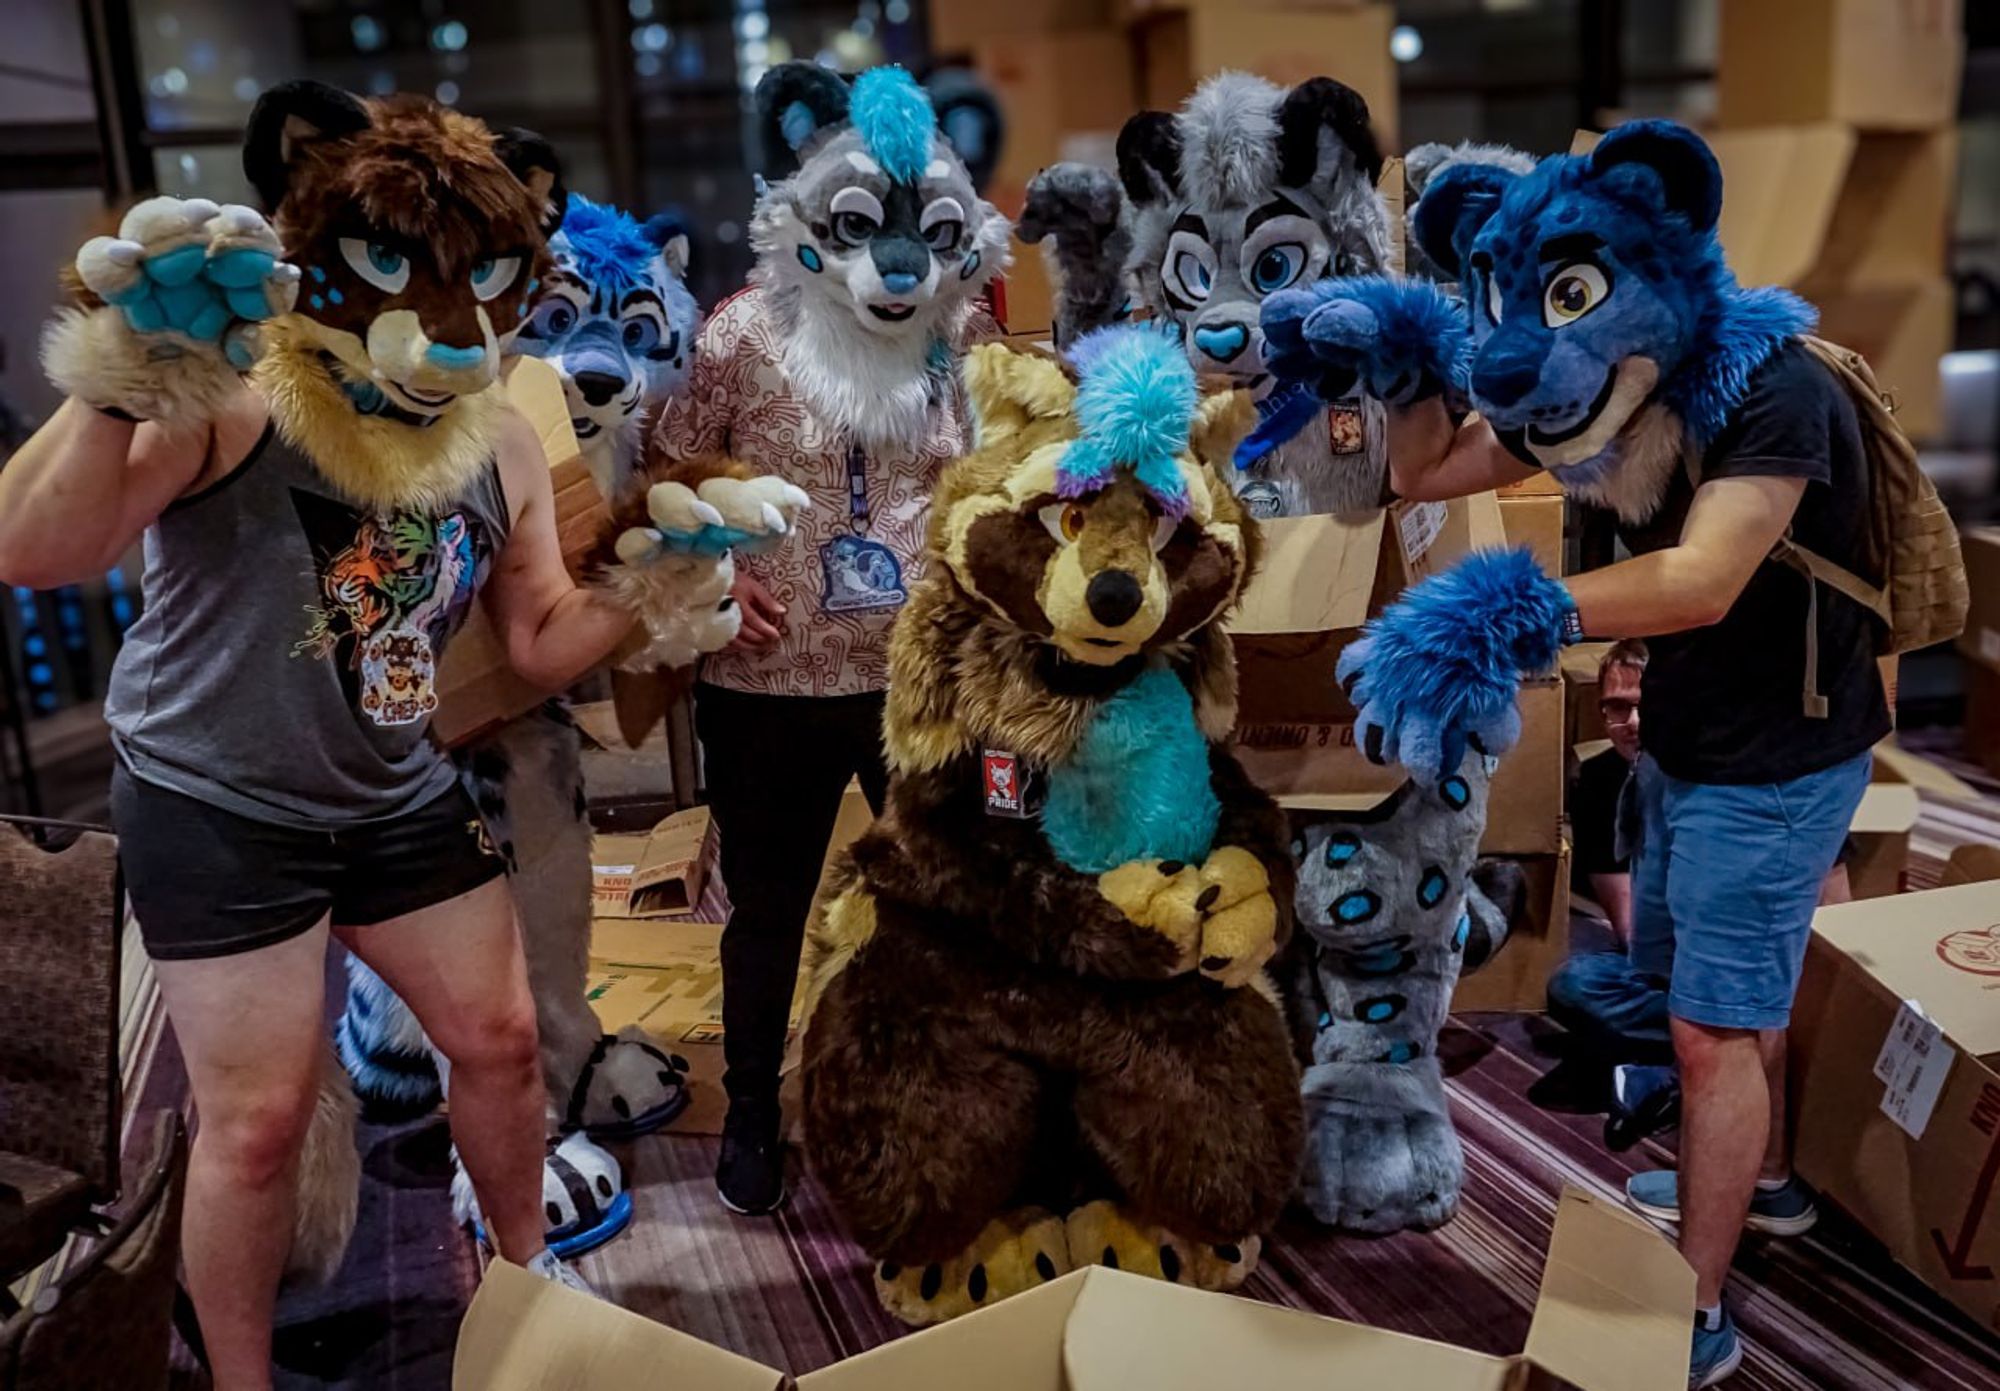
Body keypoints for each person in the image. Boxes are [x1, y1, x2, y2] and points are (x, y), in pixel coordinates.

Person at [0, 90, 635, 1389]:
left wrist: (660, 587)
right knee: (259, 1121)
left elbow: (537, 637)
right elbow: (36, 548)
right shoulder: (241, 392)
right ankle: (241, 1378)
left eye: (482, 278)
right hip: (218, 797)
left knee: (505, 1040)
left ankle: (525, 1287)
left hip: (392, 788)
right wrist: (122, 378)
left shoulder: (499, 430)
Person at [1261, 123, 1891, 1385]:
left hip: (1775, 762)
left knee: (1709, 1027)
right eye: (1505, 300)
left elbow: (1706, 576)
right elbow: (1428, 467)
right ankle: (1763, 1183)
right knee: (1716, 987)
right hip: (1692, 738)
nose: (1524, 336)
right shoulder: (1600, 386)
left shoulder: (1774, 392)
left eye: (1559, 296)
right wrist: (1396, 359)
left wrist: (1506, 612)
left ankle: (1695, 1311)